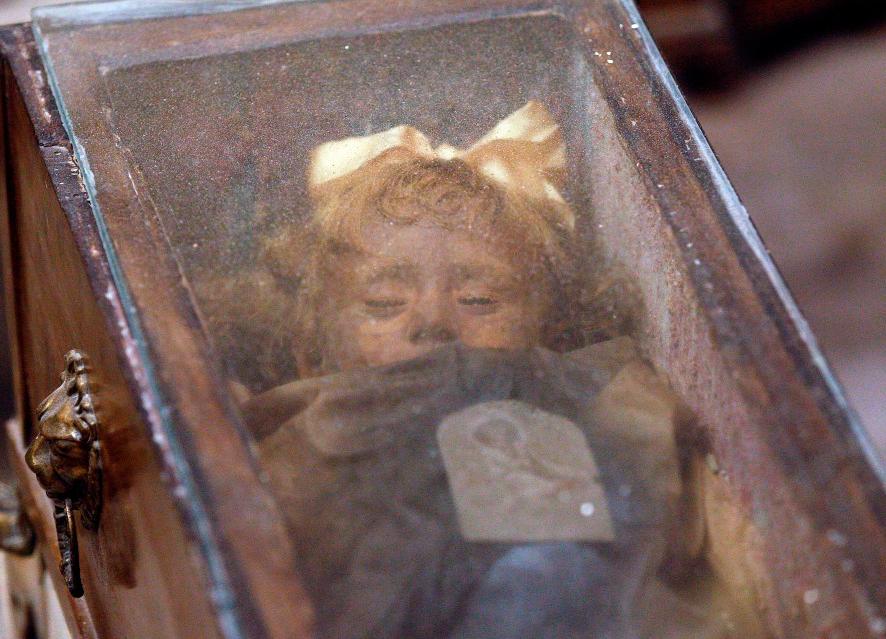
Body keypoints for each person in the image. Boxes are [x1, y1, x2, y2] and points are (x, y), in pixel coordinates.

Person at [239, 102, 761, 638]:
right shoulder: (303, 434)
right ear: (315, 343)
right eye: (384, 301)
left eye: (479, 298)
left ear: (552, 324)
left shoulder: (588, 404)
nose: (434, 322)